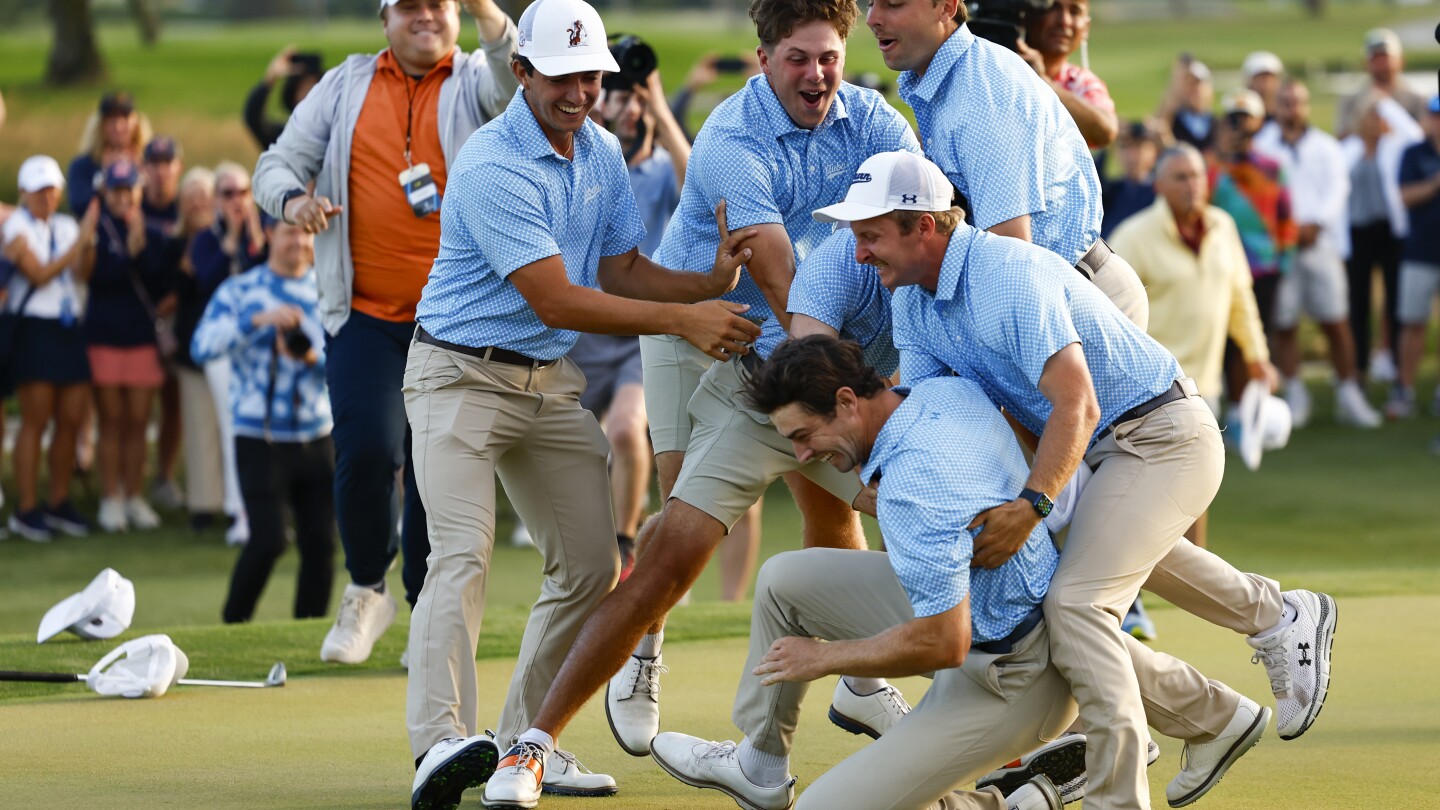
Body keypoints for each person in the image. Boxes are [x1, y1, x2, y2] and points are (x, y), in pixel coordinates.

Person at [502, 0, 922, 786]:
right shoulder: (733, 136)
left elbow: (913, 230)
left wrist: (856, 395)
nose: (816, 72)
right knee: (683, 510)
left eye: (828, 55)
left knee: (832, 513)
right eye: (798, 57)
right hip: (699, 320)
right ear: (762, 59)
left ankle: (862, 683)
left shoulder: (877, 122)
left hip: (804, 359)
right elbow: (773, 269)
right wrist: (846, 398)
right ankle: (640, 655)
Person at [847, 150, 1335, 810]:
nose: (859, 256)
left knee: (1076, 605)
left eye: (869, 235)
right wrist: (891, 476)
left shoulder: (1007, 274)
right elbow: (932, 412)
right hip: (1097, 457)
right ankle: (1227, 697)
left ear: (923, 226)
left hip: (1160, 437)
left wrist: (1031, 503)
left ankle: (1117, 794)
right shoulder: (916, 304)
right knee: (1063, 591)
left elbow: (1078, 402)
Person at [399, 0, 763, 804]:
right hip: (457, 375)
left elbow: (621, 266)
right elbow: (559, 298)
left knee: (595, 564)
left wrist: (707, 284)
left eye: (591, 75)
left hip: (545, 384)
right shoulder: (493, 162)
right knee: (460, 556)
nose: (579, 91)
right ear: (522, 72)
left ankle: (527, 743)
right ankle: (440, 744)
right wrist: (684, 320)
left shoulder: (599, 148)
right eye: (561, 76)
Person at [654, 337, 1074, 810]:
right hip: (975, 614)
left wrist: (824, 659)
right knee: (782, 581)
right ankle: (760, 766)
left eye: (803, 435)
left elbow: (943, 643)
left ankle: (1020, 805)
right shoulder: (935, 392)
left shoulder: (911, 486)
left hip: (1008, 678)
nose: (801, 456)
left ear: (847, 401)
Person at [254, 0, 520, 666]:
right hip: (365, 314)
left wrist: (487, 8)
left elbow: (515, 82)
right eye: (409, 6)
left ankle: (427, 610)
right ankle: (368, 588)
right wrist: (295, 202)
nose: (424, 15)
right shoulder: (344, 85)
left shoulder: (472, 80)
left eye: (439, 4)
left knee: (436, 468)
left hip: (456, 319)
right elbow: (275, 164)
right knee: (368, 451)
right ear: (385, 18)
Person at [866, 0, 1148, 328]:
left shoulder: (982, 92)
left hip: (1076, 300)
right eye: (870, 4)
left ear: (945, 7)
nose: (873, 19)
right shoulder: (955, 79)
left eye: (893, 4)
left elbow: (1010, 253)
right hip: (1051, 293)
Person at [1109, 143, 1277, 549]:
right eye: (1181, 177)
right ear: (1159, 185)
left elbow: (1240, 298)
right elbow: (1109, 314)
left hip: (1205, 389)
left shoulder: (1222, 227)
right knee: (1141, 501)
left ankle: (1194, 591)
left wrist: (1257, 357)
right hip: (1148, 392)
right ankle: (1132, 604)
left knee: (1197, 496)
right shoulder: (1134, 237)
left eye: (1198, 176)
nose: (1193, 185)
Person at [567, 62, 693, 575]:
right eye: (616, 97)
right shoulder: (584, 160)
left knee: (624, 428)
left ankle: (623, 549)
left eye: (633, 98)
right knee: (573, 446)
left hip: (642, 330)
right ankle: (582, 548)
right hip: (583, 329)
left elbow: (698, 186)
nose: (627, 107)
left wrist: (659, 104)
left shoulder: (662, 166)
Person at [191, 217, 335, 624]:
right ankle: (233, 626)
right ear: (269, 234)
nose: (299, 240)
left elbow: (349, 361)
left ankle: (308, 633)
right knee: (269, 539)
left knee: (321, 546)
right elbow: (201, 345)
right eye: (290, 231)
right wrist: (256, 322)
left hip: (316, 432)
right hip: (259, 435)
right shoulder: (241, 290)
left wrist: (311, 358)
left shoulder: (329, 289)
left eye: (306, 232)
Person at [1255, 78, 1381, 429]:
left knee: (1336, 321)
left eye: (1297, 102)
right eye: (1285, 102)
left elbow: (1338, 189)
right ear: (1276, 106)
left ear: (1305, 106)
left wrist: (1317, 223)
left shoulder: (1326, 146)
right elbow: (1264, 194)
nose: (1291, 109)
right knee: (1286, 324)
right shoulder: (1263, 146)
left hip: (1321, 245)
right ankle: (1296, 394)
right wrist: (1290, 229)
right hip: (1282, 248)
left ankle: (1348, 392)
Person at [1, 156, 99, 541]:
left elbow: (82, 273)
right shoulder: (15, 227)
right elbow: (39, 275)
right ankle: (26, 508)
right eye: (40, 189)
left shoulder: (65, 224)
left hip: (67, 326)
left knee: (71, 418)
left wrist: (86, 244)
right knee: (36, 418)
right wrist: (80, 241)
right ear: (24, 193)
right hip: (33, 329)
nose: (48, 195)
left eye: (53, 188)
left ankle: (59, 502)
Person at [80, 159, 175, 533]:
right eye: (116, 190)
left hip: (140, 338)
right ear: (105, 193)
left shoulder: (152, 232)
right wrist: (128, 254)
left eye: (129, 189)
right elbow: (96, 278)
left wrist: (141, 249)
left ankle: (134, 497)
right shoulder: (95, 230)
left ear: (138, 191)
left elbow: (159, 284)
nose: (122, 197)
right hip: (104, 336)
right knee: (111, 422)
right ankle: (110, 500)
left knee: (138, 422)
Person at [180, 162, 267, 543]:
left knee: (265, 427)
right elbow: (208, 279)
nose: (236, 200)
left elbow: (265, 276)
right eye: (227, 193)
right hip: (221, 349)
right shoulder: (205, 239)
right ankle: (240, 511)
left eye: (242, 192)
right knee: (235, 427)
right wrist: (231, 239)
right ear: (216, 198)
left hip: (259, 346)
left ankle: (266, 507)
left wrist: (253, 238)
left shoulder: (263, 234)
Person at [1210, 89, 1296, 421]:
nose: (1241, 127)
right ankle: (1233, 412)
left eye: (1246, 120)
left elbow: (1286, 218)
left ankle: (1253, 412)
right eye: (1234, 119)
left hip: (1264, 269)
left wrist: (1283, 261)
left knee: (1258, 341)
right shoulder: (1212, 168)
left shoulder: (1272, 167)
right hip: (1225, 268)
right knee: (1228, 343)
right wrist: (1224, 155)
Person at [1342, 93, 1424, 382]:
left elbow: (1415, 132)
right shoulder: (1348, 149)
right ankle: (1359, 367)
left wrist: (1387, 104)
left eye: (1381, 116)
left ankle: (1398, 365)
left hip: (1390, 232)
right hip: (1358, 234)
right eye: (1373, 116)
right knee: (1358, 304)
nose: (1378, 122)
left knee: (1396, 301)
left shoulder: (1394, 146)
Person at [141, 135, 188, 510]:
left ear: (178, 167)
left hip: (174, 315)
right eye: (153, 164)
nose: (160, 172)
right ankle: (133, 481)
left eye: (166, 163)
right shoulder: (132, 205)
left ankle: (165, 477)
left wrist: (173, 299)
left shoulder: (182, 208)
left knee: (173, 401)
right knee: (136, 406)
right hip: (137, 316)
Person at [1388, 96, 1440, 421]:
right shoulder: (1414, 154)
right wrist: (1436, 183)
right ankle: (1404, 390)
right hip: (1420, 251)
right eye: (1435, 115)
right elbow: (1405, 196)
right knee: (1412, 323)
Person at [1016, 0, 1118, 148]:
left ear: (1086, 28)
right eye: (1052, 8)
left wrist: (1042, 82)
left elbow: (1105, 131)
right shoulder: (998, 66)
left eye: (1075, 11)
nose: (1064, 21)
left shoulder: (1081, 83)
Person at [68, 92, 152, 216]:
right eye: (111, 121)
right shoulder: (84, 165)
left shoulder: (150, 161)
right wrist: (107, 177)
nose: (118, 127)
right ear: (100, 125)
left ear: (136, 122)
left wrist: (143, 179)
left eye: (125, 118)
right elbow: (78, 205)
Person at [1335, 28, 1428, 139]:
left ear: (1401, 60)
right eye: (1375, 59)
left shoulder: (1417, 100)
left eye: (1385, 58)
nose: (1381, 64)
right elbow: (1342, 140)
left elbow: (1424, 139)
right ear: (1366, 63)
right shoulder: (1350, 101)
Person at [244, 46, 325, 150]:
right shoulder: (285, 137)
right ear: (293, 95)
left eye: (315, 88)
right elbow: (253, 118)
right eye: (304, 89)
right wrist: (270, 78)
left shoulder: (330, 136)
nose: (309, 96)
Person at [1100, 120, 1160, 238]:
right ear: (1116, 153)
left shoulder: (1160, 192)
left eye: (1140, 147)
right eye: (1125, 147)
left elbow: (1178, 172)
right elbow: (1087, 182)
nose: (1132, 155)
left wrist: (1166, 143)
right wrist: (1109, 139)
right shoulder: (1110, 191)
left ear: (1155, 153)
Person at [1156, 55, 1215, 152]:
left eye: (1198, 84)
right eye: (1189, 84)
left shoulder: (1216, 124)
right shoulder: (1173, 120)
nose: (1195, 90)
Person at [1242, 51, 1283, 122]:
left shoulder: (1286, 119)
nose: (1266, 85)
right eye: (1261, 78)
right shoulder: (1240, 116)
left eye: (1271, 78)